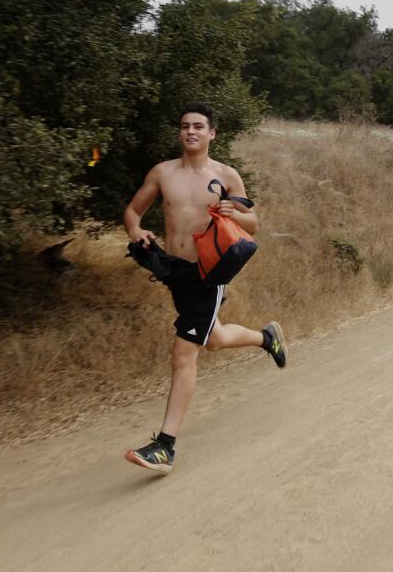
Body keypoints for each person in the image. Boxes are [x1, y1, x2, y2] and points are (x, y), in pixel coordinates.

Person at [122, 102, 286, 473]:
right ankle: (266, 337)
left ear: (212, 133)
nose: (190, 131)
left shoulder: (227, 176)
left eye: (198, 126)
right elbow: (133, 212)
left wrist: (237, 214)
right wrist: (136, 230)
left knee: (184, 353)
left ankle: (165, 446)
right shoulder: (163, 173)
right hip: (173, 272)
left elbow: (253, 224)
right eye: (184, 126)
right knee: (211, 338)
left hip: (208, 274)